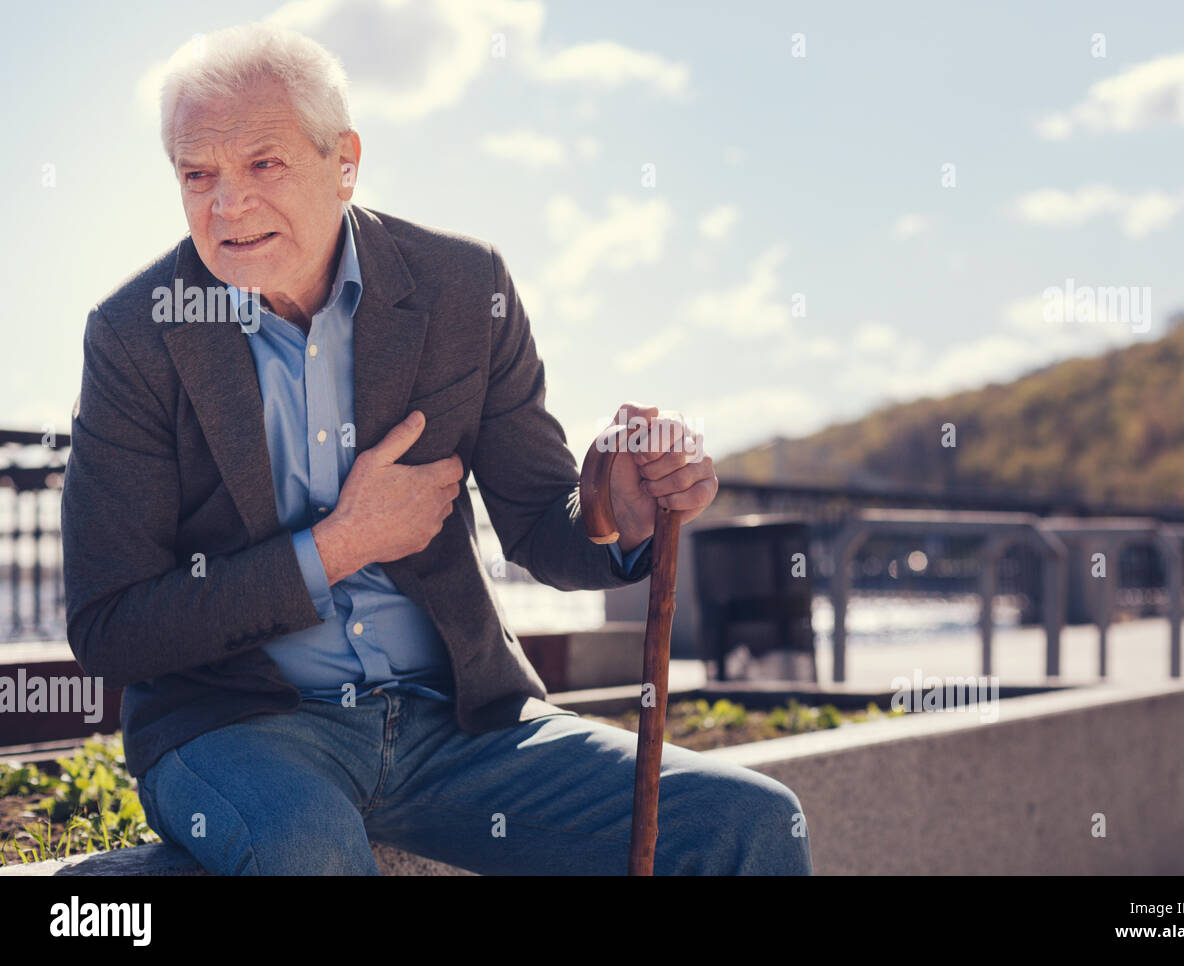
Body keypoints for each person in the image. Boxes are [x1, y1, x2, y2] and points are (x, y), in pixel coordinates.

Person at [60, 22, 812, 875]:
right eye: (198, 175)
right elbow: (110, 625)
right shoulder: (135, 334)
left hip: (461, 723)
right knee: (305, 846)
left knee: (749, 822)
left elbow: (543, 523)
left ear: (345, 160)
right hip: (237, 728)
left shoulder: (465, 288)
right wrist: (336, 549)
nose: (226, 206)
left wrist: (618, 514)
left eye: (262, 165)